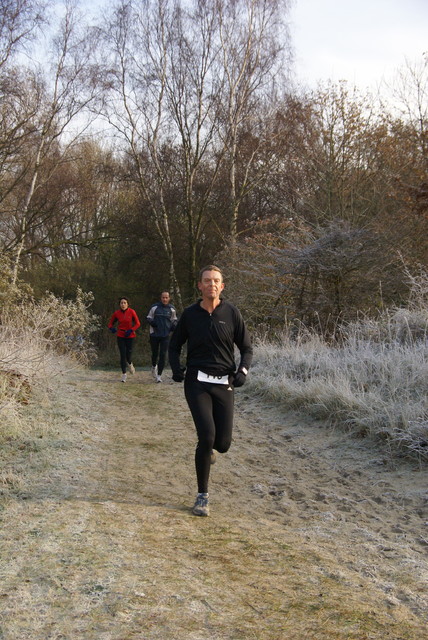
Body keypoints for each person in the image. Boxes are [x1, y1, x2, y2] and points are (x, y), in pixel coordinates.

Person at [169, 265, 253, 517]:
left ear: (222, 286)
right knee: (206, 436)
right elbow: (174, 346)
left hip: (224, 382)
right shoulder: (190, 314)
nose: (212, 285)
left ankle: (212, 451)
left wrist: (243, 371)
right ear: (200, 286)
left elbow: (247, 348)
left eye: (216, 281)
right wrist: (176, 368)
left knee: (223, 443)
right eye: (207, 281)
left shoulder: (232, 313)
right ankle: (202, 496)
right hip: (197, 382)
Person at [146, 291, 178, 383]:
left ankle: (159, 375)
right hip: (154, 334)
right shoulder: (154, 307)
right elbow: (148, 317)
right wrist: (153, 323)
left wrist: (173, 326)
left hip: (165, 335)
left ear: (169, 298)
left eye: (166, 297)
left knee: (163, 354)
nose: (165, 299)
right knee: (155, 353)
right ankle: (153, 366)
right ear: (161, 298)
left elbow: (174, 319)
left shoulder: (172, 309)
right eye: (163, 297)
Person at [108, 297, 141, 382]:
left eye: (124, 303)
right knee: (122, 355)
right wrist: (112, 329)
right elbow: (110, 324)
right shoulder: (117, 313)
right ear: (119, 304)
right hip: (121, 335)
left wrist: (131, 330)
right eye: (121, 303)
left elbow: (138, 324)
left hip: (130, 335)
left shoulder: (132, 312)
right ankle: (124, 374)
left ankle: (130, 363)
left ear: (127, 304)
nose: (123, 304)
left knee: (128, 355)